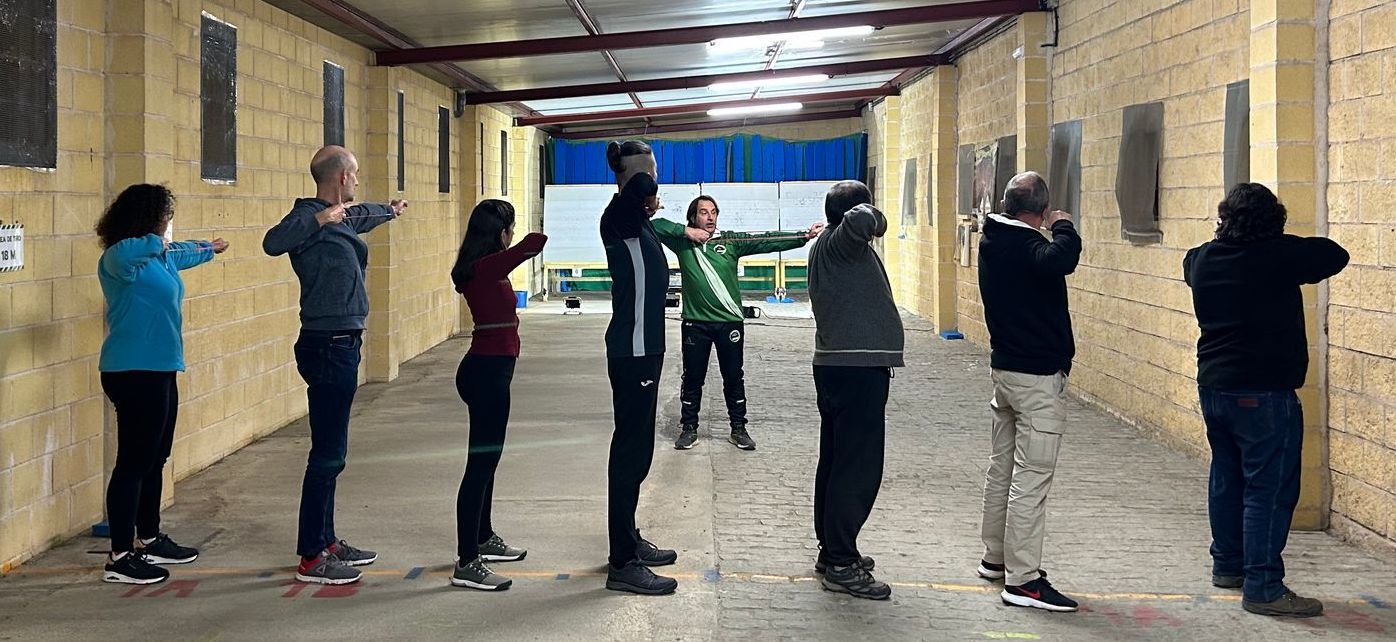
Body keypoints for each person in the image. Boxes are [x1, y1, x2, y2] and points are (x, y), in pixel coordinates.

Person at [1183, 183, 1348, 618]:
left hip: (1214, 388)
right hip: (1263, 393)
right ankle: (1263, 586)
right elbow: (1334, 254)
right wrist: (1274, 239)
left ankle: (1228, 565)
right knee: (1268, 489)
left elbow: (1194, 258)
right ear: (1271, 224)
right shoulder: (1278, 257)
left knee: (1227, 476)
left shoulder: (1201, 260)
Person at [263, 145, 408, 585]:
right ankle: (312, 556)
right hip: (327, 344)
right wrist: (321, 219)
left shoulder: (342, 217)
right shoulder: (307, 217)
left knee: (334, 453)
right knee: (327, 455)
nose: (357, 181)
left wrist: (389, 211)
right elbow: (272, 242)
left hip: (343, 342)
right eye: (355, 174)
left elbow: (361, 215)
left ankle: (326, 541)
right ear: (342, 177)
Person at [95, 184, 228, 584]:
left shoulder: (160, 257)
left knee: (156, 458)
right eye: (163, 214)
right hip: (132, 370)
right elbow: (144, 249)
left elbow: (180, 252)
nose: (167, 221)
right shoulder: (118, 257)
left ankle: (149, 538)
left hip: (161, 368)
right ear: (146, 217)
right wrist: (159, 239)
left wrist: (208, 248)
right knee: (133, 462)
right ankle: (119, 556)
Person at [974, 171, 1081, 612]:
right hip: (1035, 379)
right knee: (1031, 478)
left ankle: (995, 558)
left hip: (1007, 372)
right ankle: (1023, 581)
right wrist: (1064, 225)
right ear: (1040, 211)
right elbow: (1061, 258)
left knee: (1003, 469)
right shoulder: (1026, 244)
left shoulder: (995, 238)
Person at [652, 196, 823, 451]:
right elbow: (654, 226)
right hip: (695, 324)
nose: (710, 217)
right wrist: (687, 232)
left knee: (733, 377)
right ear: (693, 217)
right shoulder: (683, 243)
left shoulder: (729, 242)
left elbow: (765, 240)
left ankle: (738, 428)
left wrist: (803, 236)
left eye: (713, 212)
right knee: (692, 378)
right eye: (703, 212)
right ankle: (689, 429)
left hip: (729, 323)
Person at [808, 180, 901, 600]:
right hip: (854, 369)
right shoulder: (842, 241)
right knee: (857, 468)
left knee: (837, 462)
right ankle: (842, 563)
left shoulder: (832, 244)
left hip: (843, 367)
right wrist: (870, 214)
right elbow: (864, 219)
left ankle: (833, 551)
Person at [447, 200, 546, 591]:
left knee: (488, 461)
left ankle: (483, 536)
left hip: (493, 372)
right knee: (479, 466)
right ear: (498, 232)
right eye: (509, 227)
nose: (512, 234)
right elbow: (532, 244)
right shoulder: (485, 268)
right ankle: (467, 560)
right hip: (485, 374)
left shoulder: (487, 267)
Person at [599, 140, 680, 595]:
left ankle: (628, 540)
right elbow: (641, 185)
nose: (656, 181)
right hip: (632, 350)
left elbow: (643, 190)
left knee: (639, 451)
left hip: (645, 348)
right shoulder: (619, 215)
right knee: (630, 454)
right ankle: (622, 563)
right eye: (651, 172)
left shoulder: (637, 218)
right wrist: (641, 176)